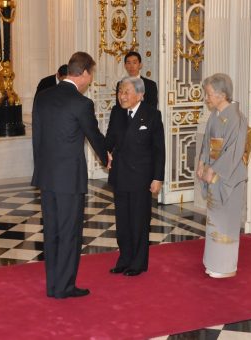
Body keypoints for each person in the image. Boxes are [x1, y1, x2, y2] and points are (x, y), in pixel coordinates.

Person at [31, 52, 109, 299]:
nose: (90, 79)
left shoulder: (42, 98)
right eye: (91, 75)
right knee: (69, 233)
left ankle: (53, 284)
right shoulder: (81, 103)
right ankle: (64, 287)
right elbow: (94, 136)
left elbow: (37, 139)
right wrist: (108, 157)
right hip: (69, 180)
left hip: (46, 177)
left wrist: (41, 170)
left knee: (52, 232)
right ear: (84, 73)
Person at [106, 77, 165, 276]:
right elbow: (109, 140)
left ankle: (138, 263)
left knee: (139, 222)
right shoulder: (116, 113)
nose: (121, 96)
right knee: (123, 222)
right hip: (121, 174)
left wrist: (158, 178)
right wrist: (104, 152)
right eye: (120, 91)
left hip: (141, 177)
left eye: (126, 92)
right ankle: (124, 259)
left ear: (140, 95)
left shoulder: (152, 115)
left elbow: (159, 150)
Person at [196, 73, 248, 279]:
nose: (206, 98)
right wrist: (201, 163)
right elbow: (207, 143)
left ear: (221, 94)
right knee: (214, 219)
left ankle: (225, 266)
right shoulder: (214, 115)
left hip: (228, 177)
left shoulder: (236, 118)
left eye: (209, 94)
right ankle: (213, 261)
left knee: (226, 221)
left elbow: (234, 151)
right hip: (213, 173)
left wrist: (213, 169)